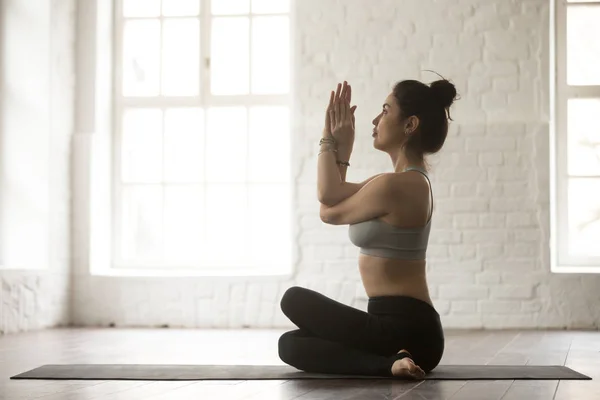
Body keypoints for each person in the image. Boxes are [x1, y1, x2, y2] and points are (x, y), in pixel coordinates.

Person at [278, 76, 458, 379]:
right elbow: (331, 198)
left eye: (385, 111)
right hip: (386, 327)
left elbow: (327, 205)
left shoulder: (397, 186)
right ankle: (392, 363)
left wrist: (331, 139)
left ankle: (392, 358)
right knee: (290, 345)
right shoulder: (395, 182)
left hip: (409, 327)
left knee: (293, 299)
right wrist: (340, 148)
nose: (375, 119)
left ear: (410, 124)